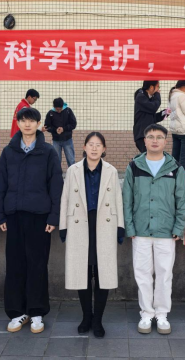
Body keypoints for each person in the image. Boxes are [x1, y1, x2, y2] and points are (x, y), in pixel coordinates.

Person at [0, 107, 63, 334]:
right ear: (18, 123)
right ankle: (16, 312)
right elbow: (0, 185)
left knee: (37, 264)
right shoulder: (9, 151)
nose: (27, 124)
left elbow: (56, 186)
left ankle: (36, 312)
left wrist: (54, 217)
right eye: (23, 120)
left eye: (31, 121)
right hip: (13, 216)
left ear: (38, 124)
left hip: (39, 218)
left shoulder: (48, 152)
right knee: (15, 265)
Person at [122, 123, 185, 335]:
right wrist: (130, 227)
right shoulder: (134, 166)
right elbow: (126, 199)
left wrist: (179, 226)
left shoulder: (175, 168)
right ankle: (146, 313)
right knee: (142, 273)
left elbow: (183, 200)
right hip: (140, 230)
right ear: (144, 141)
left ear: (165, 141)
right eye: (150, 136)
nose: (154, 140)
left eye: (159, 137)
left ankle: (161, 314)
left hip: (166, 231)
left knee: (164, 274)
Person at [59, 132, 125, 338]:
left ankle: (98, 320)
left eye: (98, 145)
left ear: (104, 149)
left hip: (104, 224)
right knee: (83, 272)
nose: (94, 148)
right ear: (84, 147)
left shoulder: (111, 171)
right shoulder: (73, 170)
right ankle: (86, 316)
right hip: (79, 224)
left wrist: (120, 226)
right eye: (91, 144)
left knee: (103, 273)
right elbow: (65, 198)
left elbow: (118, 198)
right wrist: (63, 226)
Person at [133, 81, 168, 153]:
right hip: (142, 134)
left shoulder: (147, 98)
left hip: (148, 133)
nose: (158, 89)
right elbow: (154, 107)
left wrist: (165, 112)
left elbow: (153, 118)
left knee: (150, 155)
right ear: (151, 87)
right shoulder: (140, 97)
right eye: (158, 87)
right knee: (148, 155)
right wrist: (157, 94)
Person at [44, 97, 77, 167]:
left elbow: (73, 124)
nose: (58, 111)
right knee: (56, 160)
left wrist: (63, 129)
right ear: (54, 107)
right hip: (56, 140)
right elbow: (47, 126)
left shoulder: (68, 111)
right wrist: (55, 130)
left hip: (67, 139)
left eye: (60, 109)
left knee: (71, 160)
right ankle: (57, 173)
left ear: (62, 106)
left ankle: (72, 173)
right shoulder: (50, 113)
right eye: (57, 109)